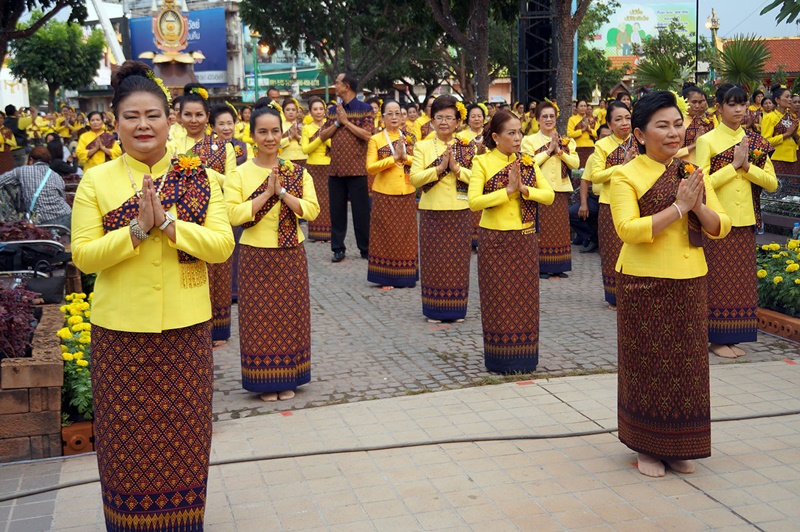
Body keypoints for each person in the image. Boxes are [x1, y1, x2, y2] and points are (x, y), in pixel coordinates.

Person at [70, 60, 234, 527]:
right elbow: (84, 256)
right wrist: (136, 231)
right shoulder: (95, 181)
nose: (143, 125)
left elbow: (221, 247)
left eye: (153, 116)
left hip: (185, 329)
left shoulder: (200, 177)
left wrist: (167, 224)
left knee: (184, 437)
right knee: (126, 443)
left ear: (171, 121)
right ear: (116, 123)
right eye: (131, 117)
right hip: (120, 334)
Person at [612, 90, 731, 478]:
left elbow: (720, 226)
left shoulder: (692, 173)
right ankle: (646, 447)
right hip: (642, 282)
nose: (673, 132)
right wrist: (678, 207)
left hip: (690, 279)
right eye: (662, 125)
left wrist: (696, 204)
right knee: (646, 365)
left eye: (677, 124)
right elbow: (628, 230)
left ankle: (680, 444)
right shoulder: (624, 174)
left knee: (687, 367)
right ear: (641, 134)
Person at [225, 103, 319, 402]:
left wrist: (282, 193)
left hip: (291, 252)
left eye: (275, 131)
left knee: (291, 315)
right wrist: (266, 193)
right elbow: (233, 215)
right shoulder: (239, 174)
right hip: (255, 254)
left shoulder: (298, 173)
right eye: (263, 132)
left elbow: (312, 211)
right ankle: (264, 380)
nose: (270, 137)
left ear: (282, 134)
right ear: (252, 135)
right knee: (259, 317)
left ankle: (289, 376)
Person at [696, 83, 778, 359]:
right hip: (717, 221)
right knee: (718, 280)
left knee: (740, 282)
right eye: (732, 104)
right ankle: (716, 338)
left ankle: (733, 336)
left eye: (743, 104)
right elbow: (702, 181)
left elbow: (772, 184)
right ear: (718, 108)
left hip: (745, 221)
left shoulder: (755, 142)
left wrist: (747, 166)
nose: (739, 110)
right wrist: (732, 167)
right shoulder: (707, 140)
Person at [469, 109, 554, 373]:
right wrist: (506, 192)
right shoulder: (481, 163)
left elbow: (549, 196)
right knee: (497, 297)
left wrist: (524, 190)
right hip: (494, 239)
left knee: (525, 298)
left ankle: (525, 358)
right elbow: (474, 203)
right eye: (511, 133)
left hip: (525, 237)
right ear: (495, 137)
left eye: (520, 132)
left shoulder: (527, 162)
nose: (518, 138)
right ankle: (500, 359)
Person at [172, 83, 237, 346]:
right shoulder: (170, 145)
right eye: (188, 114)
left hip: (215, 212)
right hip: (181, 213)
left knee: (218, 269)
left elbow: (232, 183)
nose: (193, 120)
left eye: (199, 115)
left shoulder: (223, 148)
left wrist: (200, 170)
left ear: (207, 117)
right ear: (179, 116)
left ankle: (218, 329)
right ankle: (188, 325)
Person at [410, 95, 473, 322]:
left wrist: (456, 169)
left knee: (458, 262)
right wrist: (438, 169)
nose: (444, 122)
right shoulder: (423, 146)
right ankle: (434, 310)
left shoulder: (466, 146)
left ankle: (456, 310)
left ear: (458, 121)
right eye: (439, 118)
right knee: (433, 261)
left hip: (460, 210)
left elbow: (476, 178)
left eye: (449, 118)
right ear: (432, 121)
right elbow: (415, 179)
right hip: (432, 211)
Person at [318, 72, 374, 262]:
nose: (335, 86)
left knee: (361, 213)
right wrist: (337, 123)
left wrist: (347, 123)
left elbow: (368, 135)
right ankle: (338, 248)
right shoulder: (333, 110)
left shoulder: (365, 109)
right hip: (336, 170)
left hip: (358, 169)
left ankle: (365, 248)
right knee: (336, 211)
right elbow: (323, 136)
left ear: (347, 86)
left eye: (338, 83)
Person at [587, 101, 636, 308]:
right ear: (609, 124)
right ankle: (615, 296)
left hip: (636, 201)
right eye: (618, 119)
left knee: (634, 248)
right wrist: (621, 167)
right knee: (612, 250)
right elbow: (596, 177)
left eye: (627, 118)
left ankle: (635, 293)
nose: (624, 123)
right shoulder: (602, 145)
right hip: (610, 204)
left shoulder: (639, 140)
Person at [522, 101, 579, 279]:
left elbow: (576, 164)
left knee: (560, 229)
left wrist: (560, 152)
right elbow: (529, 163)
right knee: (542, 229)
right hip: (540, 190)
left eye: (551, 116)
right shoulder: (529, 140)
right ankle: (541, 267)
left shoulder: (567, 141)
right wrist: (548, 151)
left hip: (560, 190)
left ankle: (558, 266)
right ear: (537, 119)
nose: (548, 119)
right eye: (544, 116)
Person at [365, 99, 418, 288]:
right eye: (390, 113)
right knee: (385, 235)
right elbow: (370, 168)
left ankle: (406, 275)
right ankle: (386, 277)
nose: (394, 117)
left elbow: (418, 161)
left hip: (407, 190)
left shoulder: (410, 137)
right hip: (384, 193)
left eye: (398, 113)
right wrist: (392, 159)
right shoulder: (376, 139)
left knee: (407, 235)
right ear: (383, 117)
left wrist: (405, 158)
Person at [0, 146, 71, 226]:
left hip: (45, 222)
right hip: (67, 218)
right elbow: (63, 197)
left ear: (30, 160)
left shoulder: (21, 171)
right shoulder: (57, 176)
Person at [569, 123, 610, 253]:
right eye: (603, 137)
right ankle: (592, 238)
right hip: (595, 199)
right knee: (572, 212)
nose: (606, 140)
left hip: (612, 199)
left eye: (609, 137)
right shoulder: (593, 157)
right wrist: (584, 203)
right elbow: (585, 181)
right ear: (597, 139)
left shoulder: (620, 154)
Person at [301, 97, 332, 242]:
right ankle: (315, 233)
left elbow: (335, 146)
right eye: (315, 109)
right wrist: (321, 138)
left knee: (329, 200)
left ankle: (331, 233)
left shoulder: (331, 126)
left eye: (321, 109)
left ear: (325, 111)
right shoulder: (307, 128)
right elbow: (305, 149)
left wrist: (324, 136)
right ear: (310, 112)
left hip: (329, 166)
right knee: (315, 199)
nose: (318, 112)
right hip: (313, 166)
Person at [457, 103, 488, 248]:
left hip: (485, 177)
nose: (477, 119)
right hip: (465, 177)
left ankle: (482, 239)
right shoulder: (460, 136)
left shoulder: (490, 134)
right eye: (473, 116)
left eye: (479, 116)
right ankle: (469, 241)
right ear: (468, 119)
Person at [761, 85, 799, 176]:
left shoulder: (793, 118)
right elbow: (765, 141)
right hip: (777, 159)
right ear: (777, 100)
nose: (790, 99)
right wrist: (786, 134)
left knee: (791, 188)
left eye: (790, 97)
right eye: (787, 97)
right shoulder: (769, 117)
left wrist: (794, 134)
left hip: (794, 159)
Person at [681, 86, 715, 163]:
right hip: (682, 167)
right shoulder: (678, 122)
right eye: (694, 102)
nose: (697, 106)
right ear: (684, 101)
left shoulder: (706, 120)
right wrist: (694, 145)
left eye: (700, 102)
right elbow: (669, 154)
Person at [567, 99, 596, 167]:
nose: (583, 108)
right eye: (581, 106)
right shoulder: (572, 119)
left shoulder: (591, 120)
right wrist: (582, 130)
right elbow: (570, 134)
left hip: (590, 147)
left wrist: (588, 130)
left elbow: (597, 134)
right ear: (577, 108)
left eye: (584, 106)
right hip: (577, 147)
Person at [281, 98, 308, 165]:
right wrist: (290, 137)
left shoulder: (304, 126)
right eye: (288, 110)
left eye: (293, 110)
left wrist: (297, 137)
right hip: (285, 159)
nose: (291, 112)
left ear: (296, 112)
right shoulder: (279, 127)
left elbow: (309, 143)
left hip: (303, 158)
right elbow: (276, 144)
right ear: (283, 111)